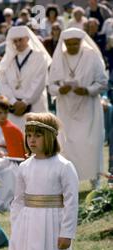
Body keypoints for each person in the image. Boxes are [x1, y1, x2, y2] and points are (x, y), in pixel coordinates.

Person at [5, 112, 79, 250]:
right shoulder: (24, 167)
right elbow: (18, 200)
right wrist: (16, 225)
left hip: (53, 226)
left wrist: (67, 232)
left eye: (37, 135)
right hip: (28, 225)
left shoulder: (64, 166)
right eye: (29, 135)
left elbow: (71, 202)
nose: (32, 140)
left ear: (49, 137)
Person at [48, 28, 108, 188]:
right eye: (69, 44)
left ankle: (94, 180)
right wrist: (60, 90)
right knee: (68, 145)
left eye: (76, 43)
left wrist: (88, 90)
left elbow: (102, 83)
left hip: (88, 108)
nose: (72, 46)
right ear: (64, 43)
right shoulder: (60, 57)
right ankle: (68, 181)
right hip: (66, 110)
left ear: (81, 42)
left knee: (90, 143)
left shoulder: (92, 56)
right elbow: (50, 86)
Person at [0, 26, 52, 131]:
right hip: (13, 109)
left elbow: (39, 82)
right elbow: (2, 82)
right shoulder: (8, 58)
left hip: (35, 106)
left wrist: (25, 102)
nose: (18, 43)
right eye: (15, 41)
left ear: (27, 39)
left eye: (20, 40)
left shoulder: (39, 57)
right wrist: (13, 101)